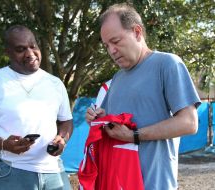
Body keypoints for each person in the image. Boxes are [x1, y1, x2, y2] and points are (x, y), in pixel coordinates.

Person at [86, 3, 201, 190]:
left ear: (137, 32)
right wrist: (97, 117)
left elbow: (189, 123)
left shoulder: (167, 64)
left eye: (116, 41)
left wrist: (135, 136)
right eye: (107, 46)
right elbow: (110, 122)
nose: (111, 51)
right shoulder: (117, 78)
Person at [0, 25, 73, 190]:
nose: (30, 53)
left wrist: (62, 139)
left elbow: (66, 120)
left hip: (54, 171)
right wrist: (4, 145)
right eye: (20, 49)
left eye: (33, 46)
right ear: (7, 52)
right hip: (10, 171)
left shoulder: (55, 83)